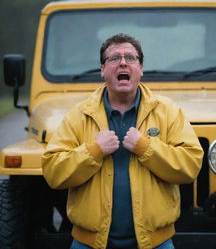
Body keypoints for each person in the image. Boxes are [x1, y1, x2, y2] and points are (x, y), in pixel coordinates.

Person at [42, 33, 203, 249]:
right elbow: (53, 172)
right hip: (88, 242)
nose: (123, 63)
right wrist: (94, 150)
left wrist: (146, 148)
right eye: (114, 58)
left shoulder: (169, 112)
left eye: (131, 57)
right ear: (102, 70)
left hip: (156, 242)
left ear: (140, 69)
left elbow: (191, 166)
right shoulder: (78, 115)